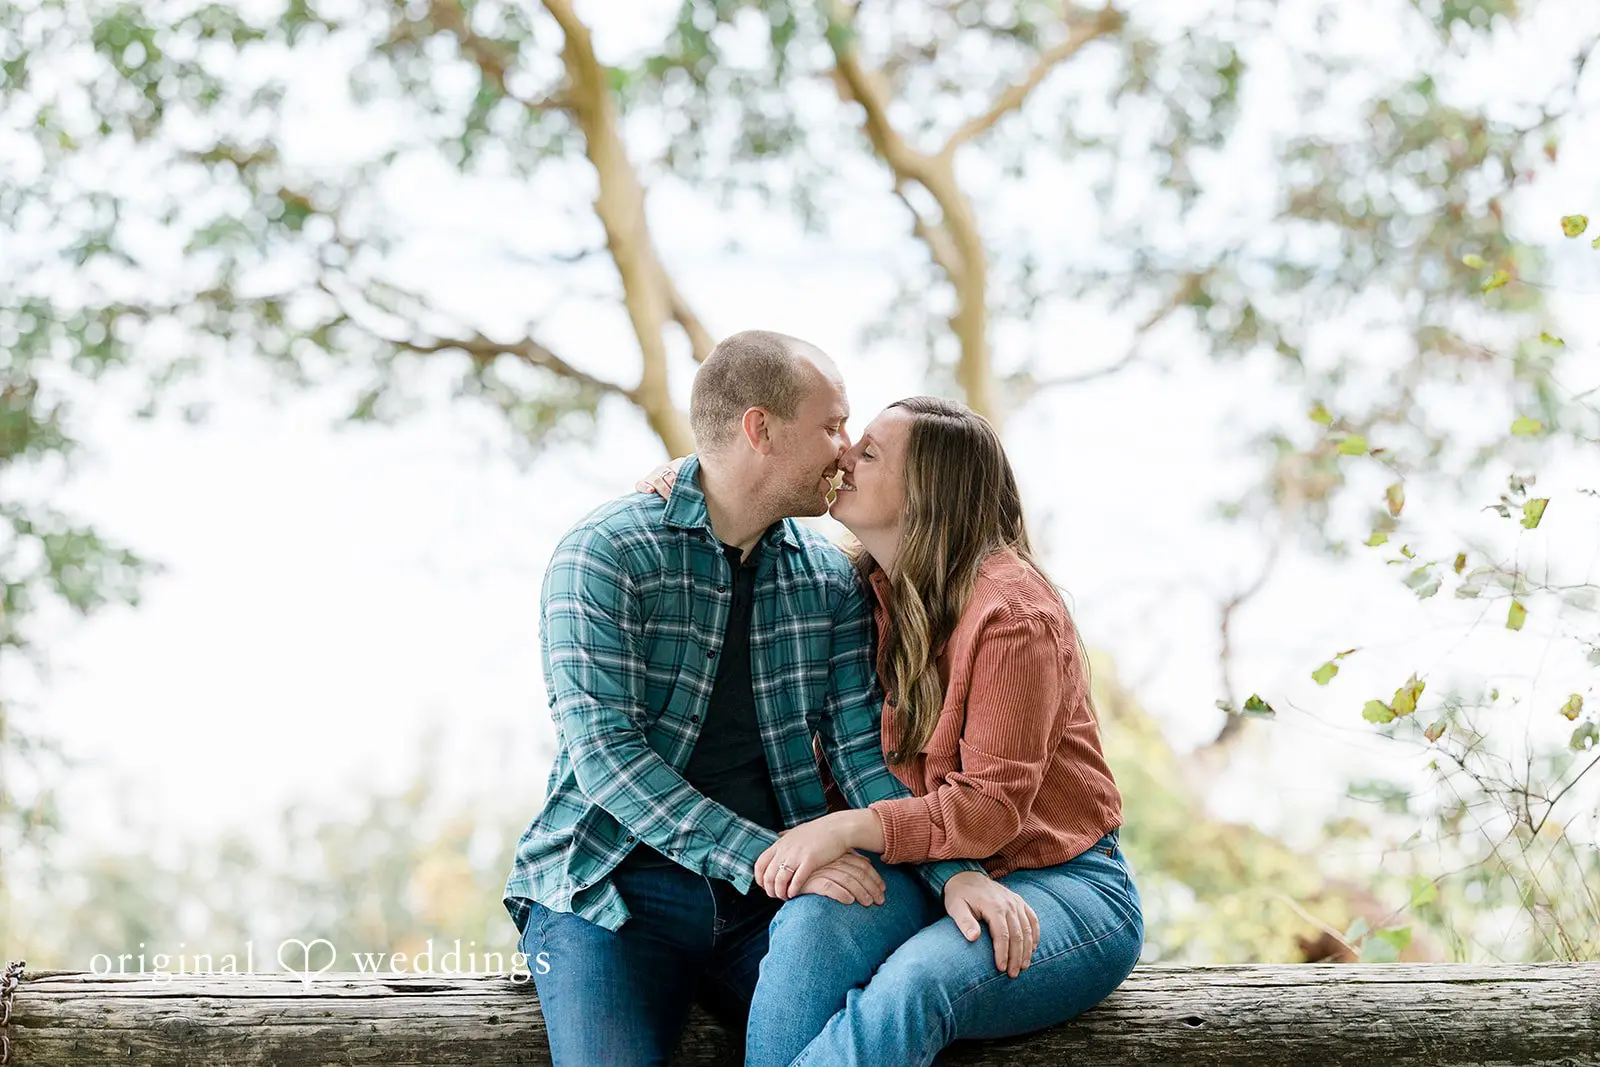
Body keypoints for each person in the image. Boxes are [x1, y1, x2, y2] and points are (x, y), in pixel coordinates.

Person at [503, 332, 1032, 1067]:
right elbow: (607, 758)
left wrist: (953, 873)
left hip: (771, 902)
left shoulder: (827, 578)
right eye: (832, 425)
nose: (846, 449)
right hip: (614, 889)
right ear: (761, 429)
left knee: (865, 1046)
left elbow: (859, 755)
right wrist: (769, 857)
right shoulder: (606, 553)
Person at [638, 396, 1142, 1067]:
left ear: (926, 492)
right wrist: (693, 481)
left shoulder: (1013, 614)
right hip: (924, 870)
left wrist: (848, 827)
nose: (844, 455)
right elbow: (746, 505)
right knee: (809, 926)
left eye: (869, 452)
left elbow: (989, 809)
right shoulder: (860, 588)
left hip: (1061, 878)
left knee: (918, 984)